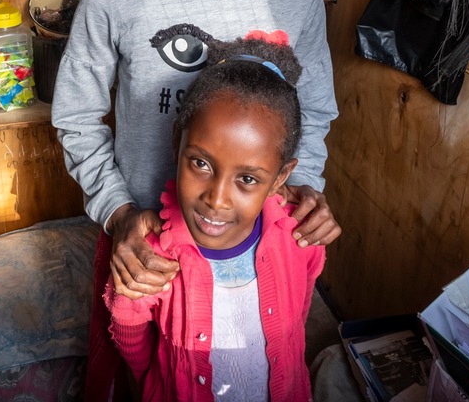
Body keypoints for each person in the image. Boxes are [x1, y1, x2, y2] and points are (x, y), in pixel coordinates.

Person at [52, 0, 340, 396]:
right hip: (147, 248)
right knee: (141, 375)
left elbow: (313, 112)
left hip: (256, 246)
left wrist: (307, 183)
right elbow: (75, 119)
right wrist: (120, 212)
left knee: (262, 365)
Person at [106, 36, 323, 401]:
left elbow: (297, 315)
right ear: (177, 143)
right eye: (201, 164)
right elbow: (130, 329)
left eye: (248, 179)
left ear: (280, 178)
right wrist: (153, 381)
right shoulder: (151, 256)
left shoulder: (297, 235)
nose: (216, 200)